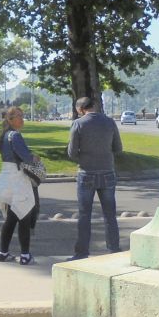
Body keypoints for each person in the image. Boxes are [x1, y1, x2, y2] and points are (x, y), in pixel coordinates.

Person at [67, 96, 122, 260]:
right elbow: (118, 148)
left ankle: (82, 252)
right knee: (110, 215)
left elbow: (71, 153)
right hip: (107, 171)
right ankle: (114, 249)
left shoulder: (78, 124)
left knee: (84, 215)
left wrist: (83, 159)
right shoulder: (110, 122)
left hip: (86, 172)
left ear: (80, 109)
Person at [0, 106, 41, 265]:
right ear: (10, 119)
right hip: (18, 179)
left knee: (11, 219)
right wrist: (34, 157)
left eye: (22, 116)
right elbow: (26, 158)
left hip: (6, 178)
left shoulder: (4, 136)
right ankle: (25, 256)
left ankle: (3, 252)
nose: (22, 119)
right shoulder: (16, 136)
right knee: (24, 216)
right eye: (18, 116)